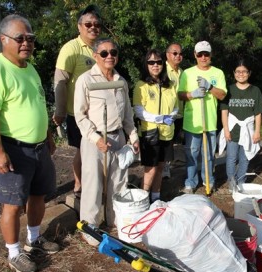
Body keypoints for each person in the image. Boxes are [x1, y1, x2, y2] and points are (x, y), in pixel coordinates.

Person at [0, 14, 59, 272]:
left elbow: (36, 105)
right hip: (13, 148)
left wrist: (47, 136)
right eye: (20, 38)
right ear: (3, 39)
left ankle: (34, 239)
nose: (27, 43)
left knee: (38, 195)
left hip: (38, 147)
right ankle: (14, 252)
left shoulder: (30, 67)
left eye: (30, 38)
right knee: (12, 203)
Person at [74, 38, 139, 246]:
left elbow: (127, 112)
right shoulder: (85, 80)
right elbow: (80, 115)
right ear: (95, 56)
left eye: (113, 52)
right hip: (95, 140)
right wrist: (95, 139)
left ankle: (115, 220)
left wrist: (133, 136)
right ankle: (90, 227)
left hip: (118, 137)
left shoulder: (121, 80)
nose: (109, 56)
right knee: (93, 184)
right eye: (104, 53)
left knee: (118, 181)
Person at [53, 4, 102, 198]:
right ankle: (79, 184)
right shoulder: (71, 48)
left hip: (98, 111)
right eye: (88, 24)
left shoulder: (100, 48)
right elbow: (60, 81)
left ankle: (94, 182)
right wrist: (60, 110)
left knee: (95, 148)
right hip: (78, 112)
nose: (93, 27)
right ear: (79, 26)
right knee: (83, 149)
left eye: (97, 24)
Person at [178, 41, 227, 194]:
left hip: (210, 122)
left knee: (209, 155)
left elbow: (222, 95)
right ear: (195, 55)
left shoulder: (218, 73)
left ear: (211, 54)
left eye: (206, 54)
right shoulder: (187, 73)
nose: (203, 57)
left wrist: (210, 87)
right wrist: (192, 94)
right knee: (191, 155)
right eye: (200, 54)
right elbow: (180, 95)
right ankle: (190, 183)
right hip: (191, 123)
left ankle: (208, 181)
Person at [133, 49, 179, 202]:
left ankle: (156, 198)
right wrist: (159, 118)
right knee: (150, 169)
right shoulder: (141, 85)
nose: (155, 65)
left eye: (158, 62)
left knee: (160, 168)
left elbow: (176, 107)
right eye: (151, 62)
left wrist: (170, 117)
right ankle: (142, 199)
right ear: (146, 65)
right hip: (150, 133)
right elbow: (139, 111)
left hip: (167, 133)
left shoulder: (170, 85)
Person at [219, 59, 262, 192]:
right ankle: (231, 181)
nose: (241, 74)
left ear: (249, 73)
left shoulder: (255, 90)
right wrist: (226, 130)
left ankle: (241, 182)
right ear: (234, 73)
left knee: (245, 158)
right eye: (238, 71)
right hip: (233, 129)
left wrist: (257, 132)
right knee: (231, 158)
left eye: (244, 71)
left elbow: (258, 114)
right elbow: (224, 111)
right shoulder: (229, 90)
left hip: (248, 130)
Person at [162, 42, 184, 179]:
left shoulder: (182, 72)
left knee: (173, 141)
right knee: (165, 141)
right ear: (167, 55)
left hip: (180, 113)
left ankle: (168, 164)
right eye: (175, 53)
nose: (178, 56)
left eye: (180, 53)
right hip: (167, 114)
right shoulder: (162, 70)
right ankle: (164, 168)